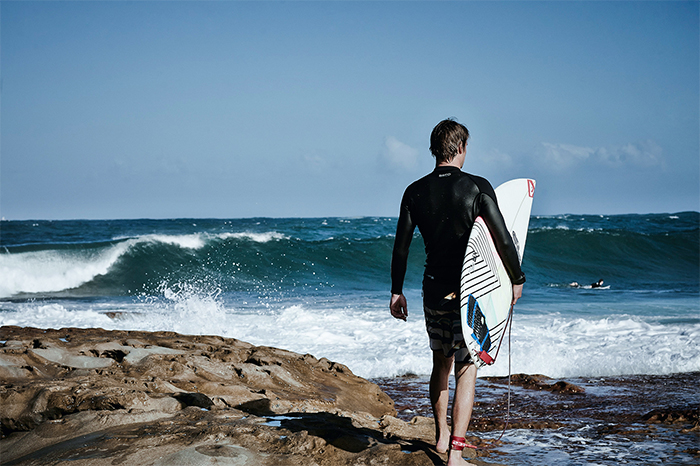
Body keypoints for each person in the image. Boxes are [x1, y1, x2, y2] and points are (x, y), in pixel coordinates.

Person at [389, 119, 526, 466]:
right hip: (471, 293)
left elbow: (401, 248)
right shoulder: (477, 188)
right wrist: (516, 278)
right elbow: (502, 239)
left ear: (435, 150)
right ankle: (456, 455)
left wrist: (396, 291)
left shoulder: (414, 191)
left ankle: (441, 436)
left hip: (433, 291)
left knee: (441, 363)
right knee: (467, 367)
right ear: (461, 148)